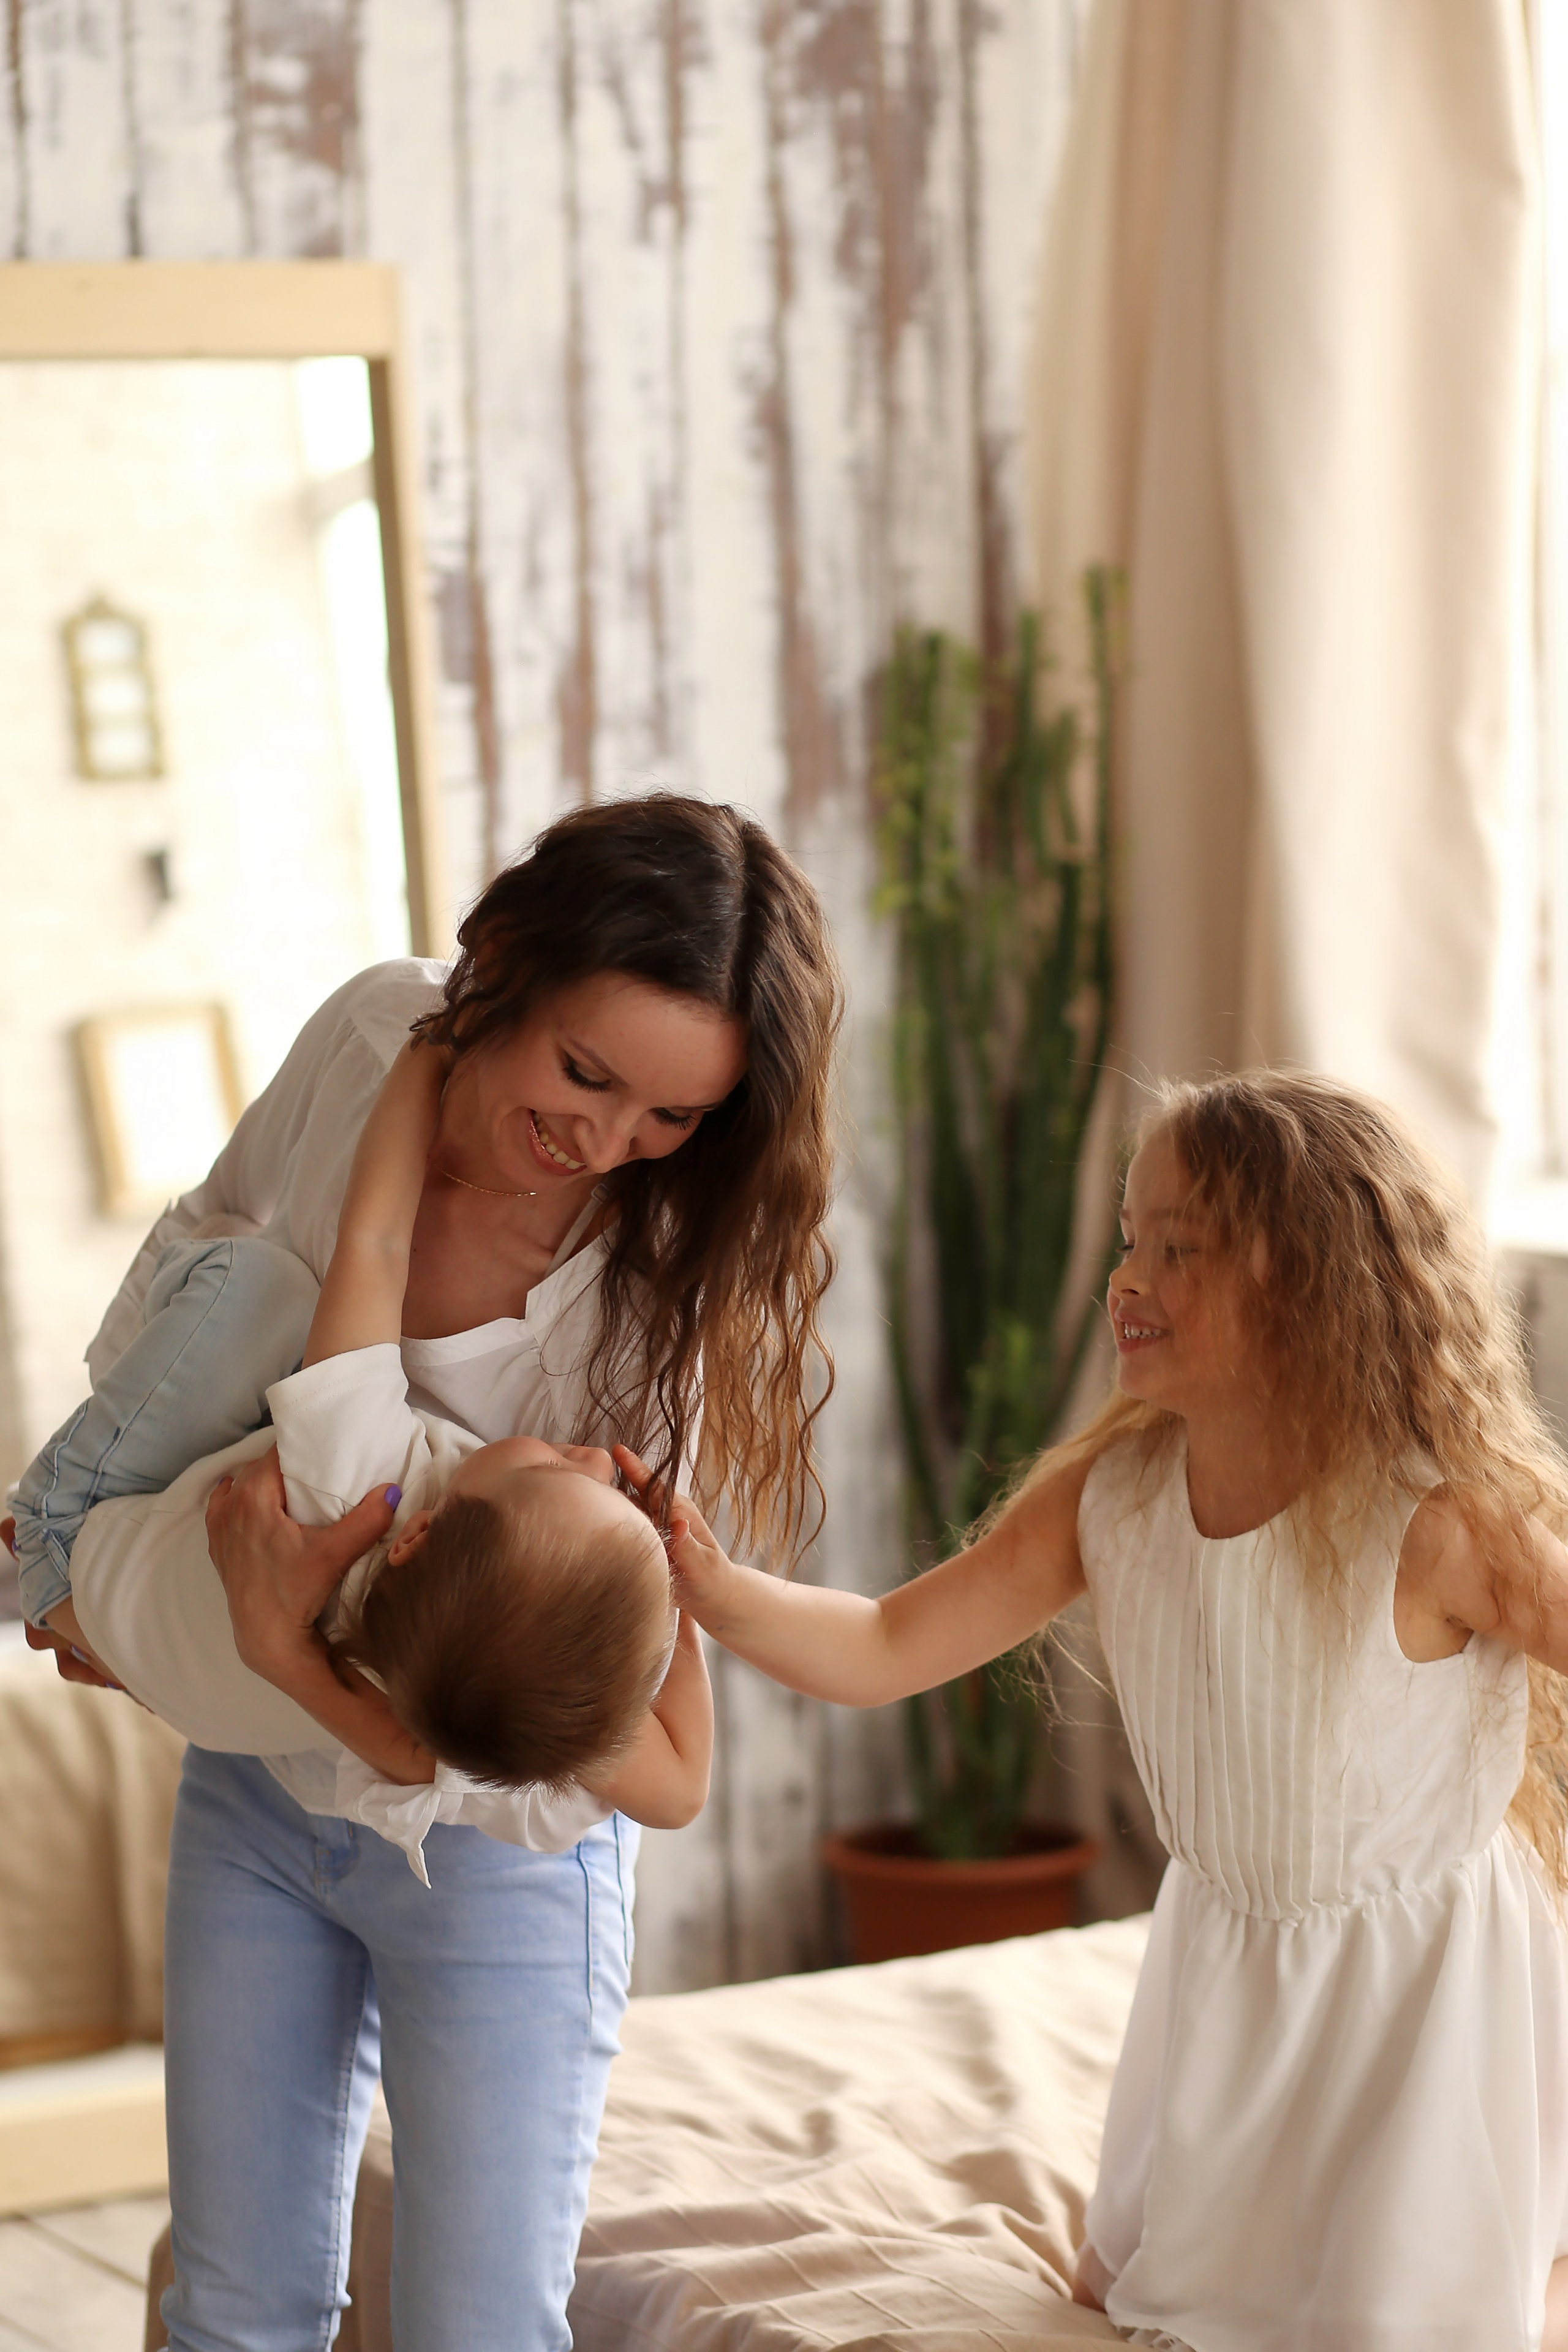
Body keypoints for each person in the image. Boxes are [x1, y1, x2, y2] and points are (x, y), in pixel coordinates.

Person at [26, 793, 840, 2352]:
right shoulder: (371, 1037)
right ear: (499, 973)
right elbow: (218, 1265)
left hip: (502, 1835)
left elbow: (569, 1727)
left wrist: (289, 1658)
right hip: (261, 1795)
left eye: (670, 1117)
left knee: (481, 2329)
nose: (603, 1142)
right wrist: (141, 1558)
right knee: (235, 2312)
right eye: (583, 1073)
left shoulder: (658, 1283)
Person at [646, 1069, 1568, 2352]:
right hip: (1225, 1958)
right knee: (1153, 2298)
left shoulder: (1436, 1520)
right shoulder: (1114, 1498)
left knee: (1406, 2317)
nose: (1126, 1280)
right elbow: (884, 1643)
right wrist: (710, 1583)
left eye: (1177, 1249)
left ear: (1314, 1282)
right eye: (1130, 1241)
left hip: (1413, 1996)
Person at [13, 1032, 710, 1867]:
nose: (598, 1459)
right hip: (179, 1681)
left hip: (69, 1553)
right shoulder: (455, 1724)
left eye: (556, 1469)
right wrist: (669, 1590)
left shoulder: (360, 1485)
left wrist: (425, 1058)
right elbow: (681, 1792)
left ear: (418, 1535)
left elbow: (373, 1245)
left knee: (265, 1289)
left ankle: (43, 1511)